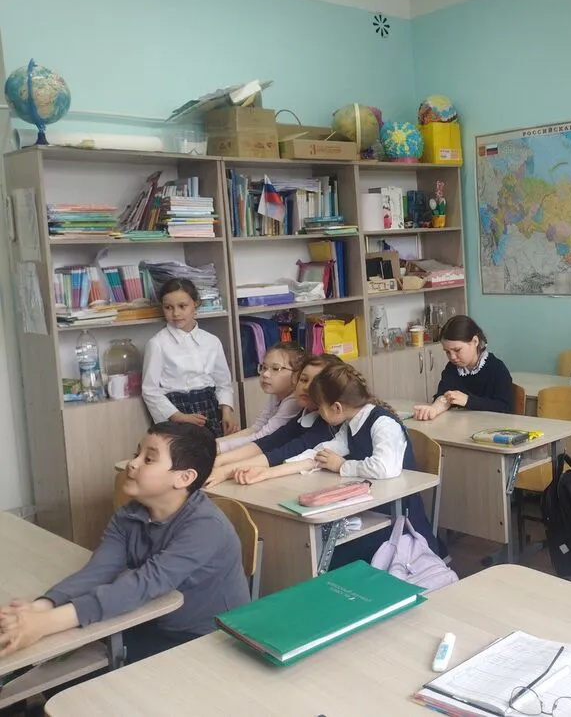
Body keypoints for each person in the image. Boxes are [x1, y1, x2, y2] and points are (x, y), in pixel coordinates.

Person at [0, 423, 250, 664]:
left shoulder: (206, 527)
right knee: (54, 656)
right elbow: (99, 570)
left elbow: (143, 584)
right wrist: (39, 608)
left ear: (184, 477)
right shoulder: (130, 514)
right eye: (136, 453)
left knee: (75, 668)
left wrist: (45, 623)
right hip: (152, 619)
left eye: (148, 459)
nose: (133, 463)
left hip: (207, 639)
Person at [235, 362, 441, 556]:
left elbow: (384, 467)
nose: (319, 413)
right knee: (325, 550)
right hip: (370, 509)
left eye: (320, 407)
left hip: (399, 521)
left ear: (336, 407)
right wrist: (266, 473)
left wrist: (342, 465)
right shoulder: (350, 424)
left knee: (330, 553)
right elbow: (318, 454)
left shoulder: (383, 424)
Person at [205, 354, 339, 486]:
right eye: (303, 380)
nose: (306, 387)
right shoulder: (304, 413)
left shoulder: (327, 424)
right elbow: (268, 442)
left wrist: (225, 471)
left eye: (315, 384)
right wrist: (220, 461)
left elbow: (284, 453)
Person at [142, 278, 237, 437]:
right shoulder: (157, 344)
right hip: (175, 410)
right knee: (182, 451)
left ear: (196, 304)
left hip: (209, 408)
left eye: (182, 306)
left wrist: (226, 413)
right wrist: (178, 416)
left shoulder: (212, 341)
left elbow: (223, 383)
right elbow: (150, 390)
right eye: (168, 307)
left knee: (215, 449)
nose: (176, 313)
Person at [413, 315, 514, 420]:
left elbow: (506, 408)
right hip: (462, 424)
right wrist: (434, 409)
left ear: (475, 341)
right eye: (447, 352)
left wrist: (468, 400)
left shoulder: (497, 369)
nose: (452, 357)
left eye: (457, 350)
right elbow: (444, 396)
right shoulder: (452, 368)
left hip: (491, 425)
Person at [217, 343, 306, 453]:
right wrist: (216, 443)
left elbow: (264, 437)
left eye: (276, 368)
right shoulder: (277, 393)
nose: (265, 374)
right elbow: (257, 428)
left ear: (297, 374)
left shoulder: (294, 401)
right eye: (264, 367)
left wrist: (219, 448)